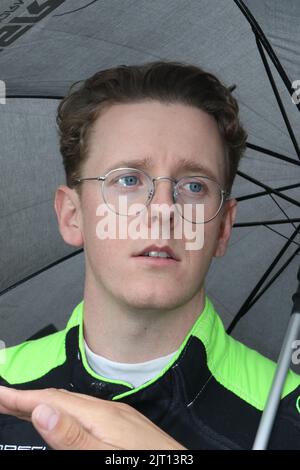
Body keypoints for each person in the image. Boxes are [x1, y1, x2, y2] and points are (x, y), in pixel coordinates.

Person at [0, 61, 299, 451]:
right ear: (72, 216)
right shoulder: (4, 386)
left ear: (223, 228)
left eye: (193, 185)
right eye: (128, 180)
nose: (162, 209)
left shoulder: (289, 416)